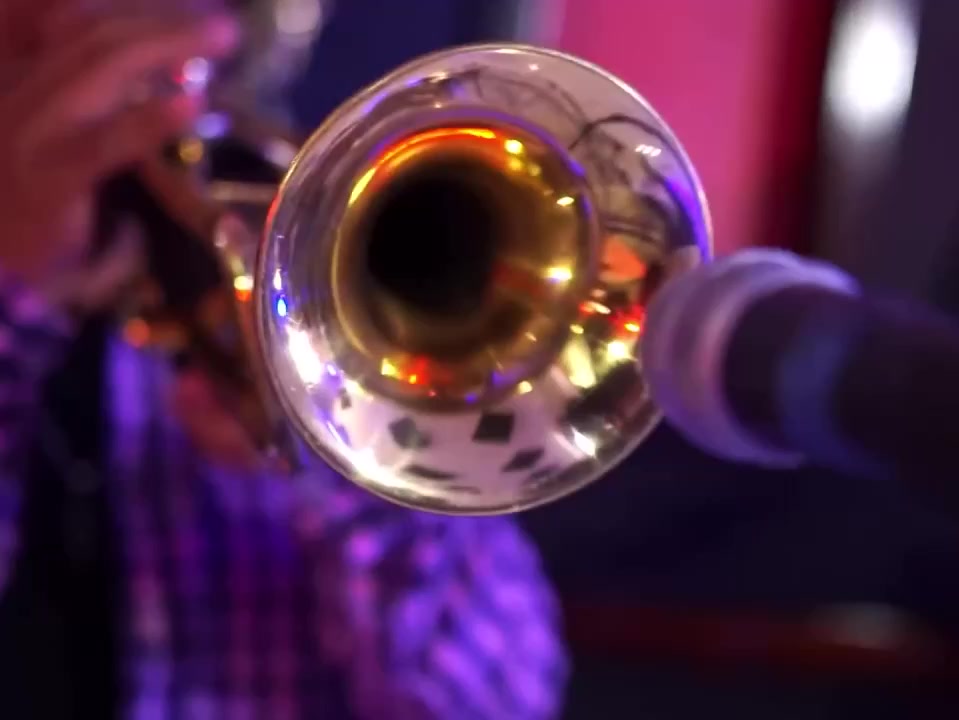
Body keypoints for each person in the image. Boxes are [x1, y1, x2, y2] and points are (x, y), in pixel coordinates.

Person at [0, 2, 567, 718]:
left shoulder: (279, 280)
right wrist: (13, 293)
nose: (86, 26)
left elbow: (503, 700)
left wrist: (354, 450)